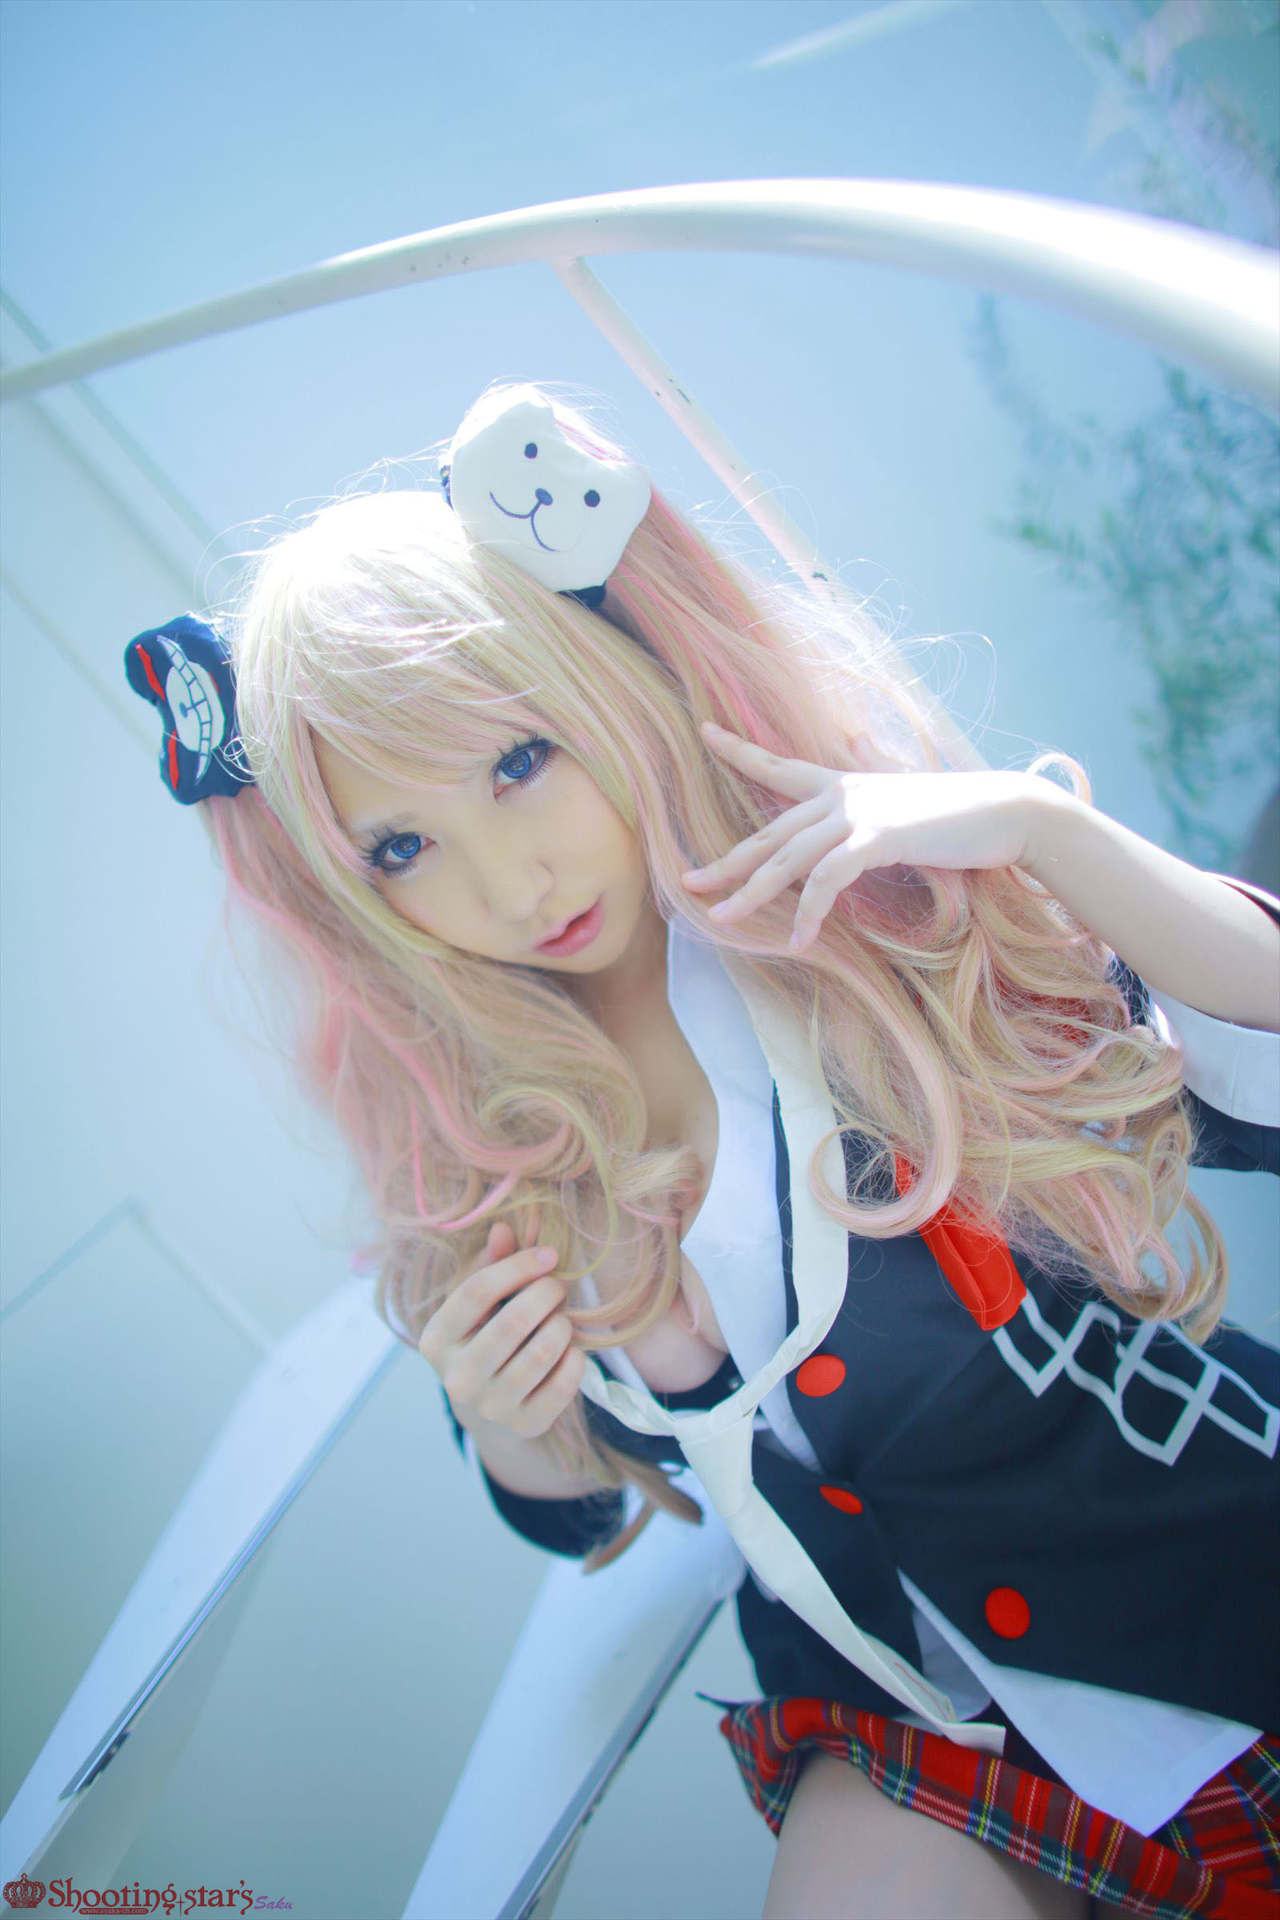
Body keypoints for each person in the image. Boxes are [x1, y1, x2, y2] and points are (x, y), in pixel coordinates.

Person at [125, 379, 1280, 1919]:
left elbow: (1255, 1070)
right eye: (401, 848)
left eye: (519, 761)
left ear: (607, 682)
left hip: (1207, 1575)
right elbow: (578, 1508)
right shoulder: (490, 1134)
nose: (508, 882)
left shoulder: (856, 935)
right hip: (900, 1713)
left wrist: (1041, 833)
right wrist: (514, 1420)